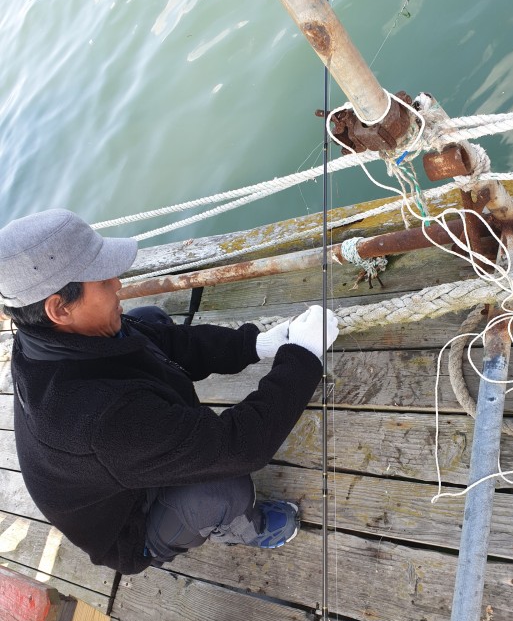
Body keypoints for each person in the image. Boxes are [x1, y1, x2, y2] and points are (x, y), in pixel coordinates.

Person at [0, 209, 338, 574]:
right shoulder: (97, 421)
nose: (118, 283)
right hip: (131, 520)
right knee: (224, 490)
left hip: (125, 456)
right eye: (102, 278)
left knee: (148, 318)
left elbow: (164, 340)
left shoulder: (49, 335)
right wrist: (302, 357)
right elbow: (241, 447)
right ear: (59, 308)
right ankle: (242, 527)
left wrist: (254, 345)